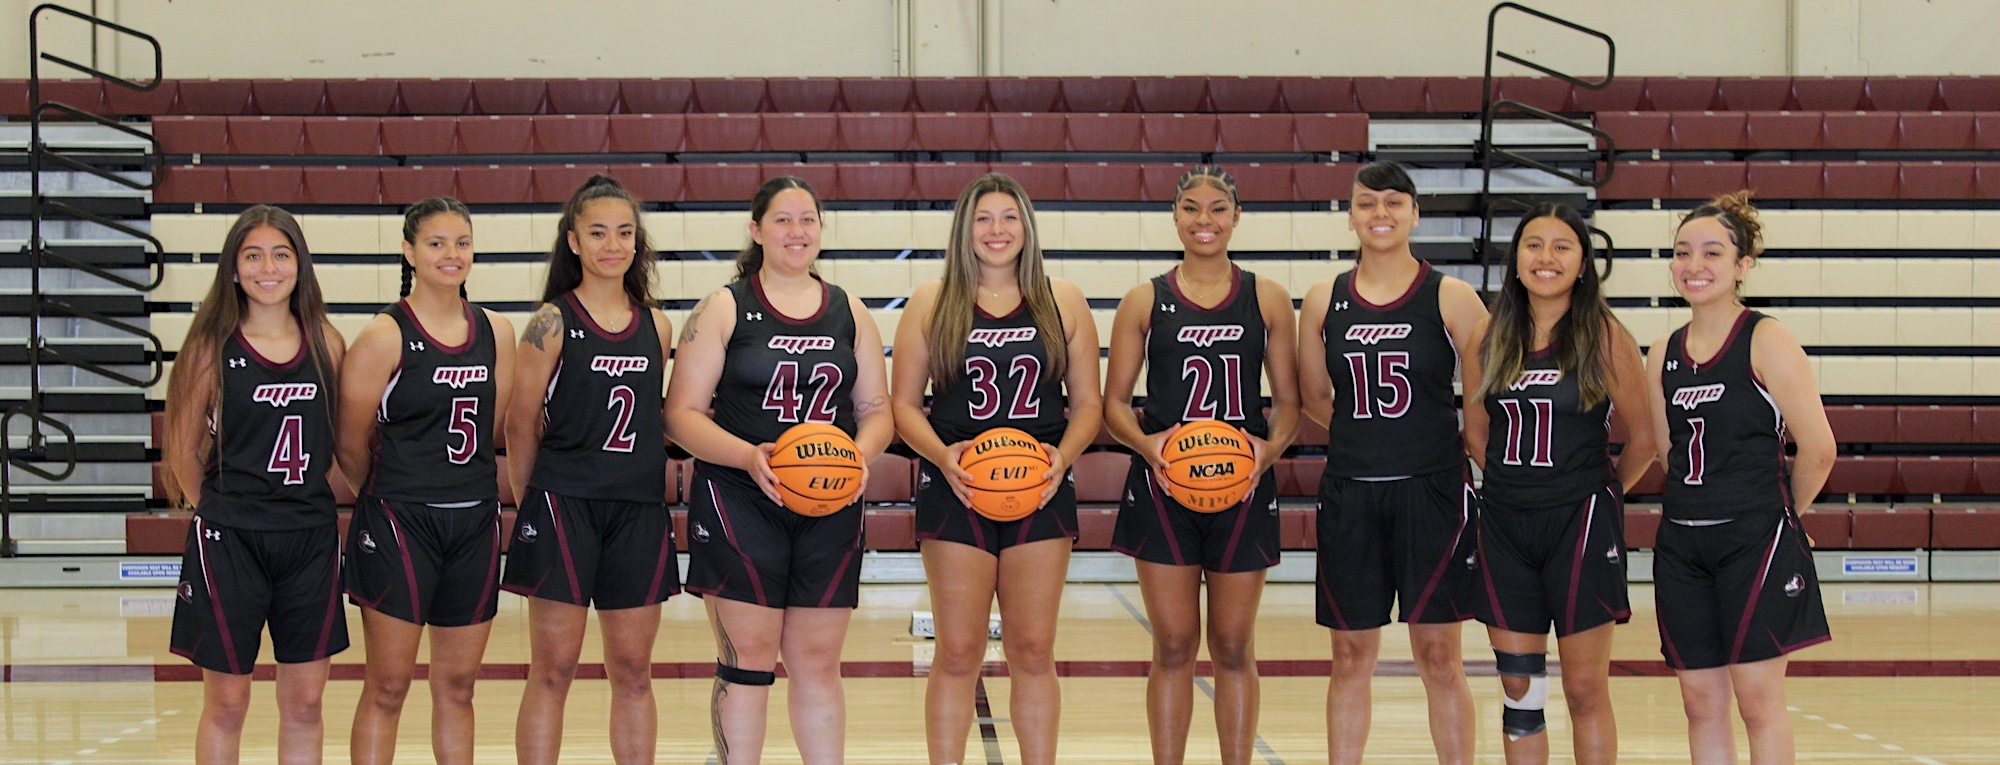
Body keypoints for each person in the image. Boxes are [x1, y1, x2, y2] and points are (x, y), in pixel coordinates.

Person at [665, 176, 894, 764]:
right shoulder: (725, 305)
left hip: (830, 505)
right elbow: (680, 415)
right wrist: (748, 455)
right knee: (747, 663)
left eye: (808, 220)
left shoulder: (851, 311)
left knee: (818, 663)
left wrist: (857, 457)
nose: (797, 232)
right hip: (742, 496)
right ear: (756, 230)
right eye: (783, 220)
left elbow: (877, 412)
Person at [890, 173, 1103, 765]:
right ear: (965, 230)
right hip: (957, 485)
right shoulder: (932, 302)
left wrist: (1062, 458)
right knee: (957, 651)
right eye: (984, 218)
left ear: (1027, 228)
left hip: (1040, 485)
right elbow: (903, 405)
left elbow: (1089, 404)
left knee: (1033, 649)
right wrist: (942, 457)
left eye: (1009, 217)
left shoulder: (1064, 299)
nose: (997, 230)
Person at [1102, 165, 1300, 765]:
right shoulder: (1145, 299)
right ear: (1175, 215)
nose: (1205, 220)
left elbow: (1289, 403)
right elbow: (1114, 404)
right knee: (1172, 644)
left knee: (1235, 645)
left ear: (1237, 216)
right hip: (1164, 486)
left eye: (1218, 208)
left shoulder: (1266, 296)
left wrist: (1267, 452)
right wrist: (1148, 446)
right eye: (1192, 208)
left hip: (1242, 486)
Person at [1296, 161, 1487, 765]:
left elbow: (1480, 402)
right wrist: (1370, 437)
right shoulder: (1324, 298)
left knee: (1438, 655)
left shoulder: (1452, 296)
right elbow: (1315, 399)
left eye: (1393, 203)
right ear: (1350, 216)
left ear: (1414, 213)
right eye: (1367, 203)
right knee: (1350, 655)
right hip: (1352, 491)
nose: (1380, 214)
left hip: (1433, 492)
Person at [1459, 204, 1655, 765]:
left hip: (1581, 525)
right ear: (1515, 259)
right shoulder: (1485, 335)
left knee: (1584, 689)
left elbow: (1642, 437)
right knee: (1519, 692)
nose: (1547, 257)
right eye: (1534, 245)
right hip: (1505, 526)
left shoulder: (1604, 335)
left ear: (1584, 263)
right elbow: (1476, 435)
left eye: (1562, 246)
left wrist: (1600, 493)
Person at [1645, 191, 1834, 765]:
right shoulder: (1662, 352)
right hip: (1682, 543)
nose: (1694, 265)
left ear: (1742, 265)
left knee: (1757, 700)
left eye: (1711, 253)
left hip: (1755, 539)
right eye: (1682, 252)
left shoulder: (1766, 339)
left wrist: (1780, 520)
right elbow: (1663, 450)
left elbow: (1819, 450)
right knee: (1700, 701)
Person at [163, 205, 347, 765]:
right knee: (227, 701)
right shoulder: (209, 349)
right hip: (231, 539)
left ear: (301, 264)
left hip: (309, 541)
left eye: (281, 254)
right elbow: (180, 453)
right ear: (234, 269)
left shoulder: (327, 343)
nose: (268, 267)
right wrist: (223, 513)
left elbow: (340, 446)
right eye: (253, 255)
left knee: (306, 701)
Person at [502, 175, 676, 765]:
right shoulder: (551, 321)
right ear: (573, 241)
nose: (613, 244)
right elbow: (520, 424)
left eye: (624, 233)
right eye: (598, 232)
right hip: (562, 505)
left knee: (632, 670)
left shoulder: (657, 324)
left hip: (638, 509)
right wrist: (536, 503)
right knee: (553, 669)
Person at [336, 198, 517, 765]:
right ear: (409, 251)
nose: (451, 254)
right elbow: (348, 444)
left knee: (458, 687)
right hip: (399, 520)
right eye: (436, 243)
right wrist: (397, 490)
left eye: (461, 242)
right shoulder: (384, 336)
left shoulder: (497, 332)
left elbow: (493, 428)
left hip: (473, 519)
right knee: (388, 686)